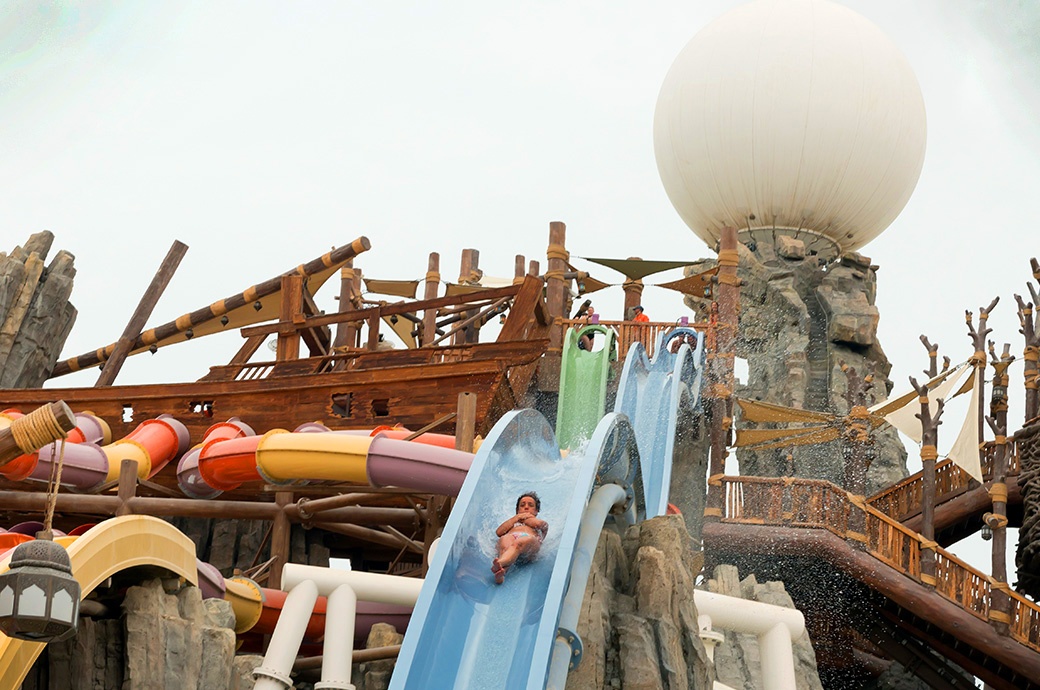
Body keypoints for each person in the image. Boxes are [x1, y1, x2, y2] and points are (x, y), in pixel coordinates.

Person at [492, 492, 548, 584]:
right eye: (522, 505)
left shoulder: (537, 522)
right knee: (505, 540)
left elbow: (540, 525)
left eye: (530, 505)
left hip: (529, 540)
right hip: (512, 538)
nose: (526, 507)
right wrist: (516, 518)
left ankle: (500, 563)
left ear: (536, 511)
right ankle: (500, 574)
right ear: (517, 510)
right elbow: (499, 532)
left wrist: (526, 517)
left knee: (518, 543)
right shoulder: (513, 522)